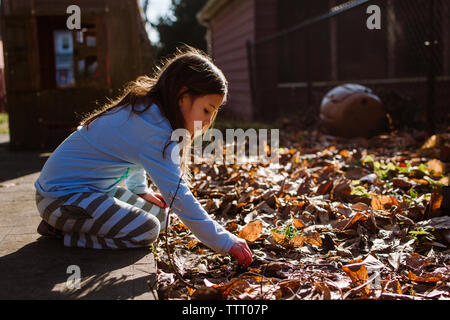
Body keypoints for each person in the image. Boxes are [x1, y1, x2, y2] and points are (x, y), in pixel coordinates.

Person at [34, 46, 252, 267]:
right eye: (206, 110)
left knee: (161, 215)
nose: (207, 122)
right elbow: (179, 196)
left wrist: (140, 190)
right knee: (147, 230)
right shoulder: (155, 131)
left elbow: (133, 154)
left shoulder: (148, 111)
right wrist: (225, 242)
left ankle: (66, 225)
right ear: (182, 97)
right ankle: (65, 233)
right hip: (62, 198)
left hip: (88, 190)